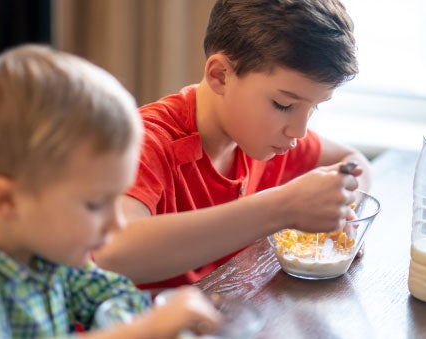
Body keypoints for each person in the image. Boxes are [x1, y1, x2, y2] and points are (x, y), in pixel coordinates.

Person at [0, 44, 221, 338]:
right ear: (6, 201)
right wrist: (139, 330)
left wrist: (143, 316)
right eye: (96, 204)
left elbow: (114, 294)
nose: (118, 223)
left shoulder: (45, 241)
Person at [94, 0, 371, 289]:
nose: (300, 131)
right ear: (220, 76)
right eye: (283, 104)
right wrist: (280, 208)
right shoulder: (145, 140)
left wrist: (343, 209)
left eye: (314, 107)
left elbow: (350, 160)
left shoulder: (266, 137)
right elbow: (112, 252)